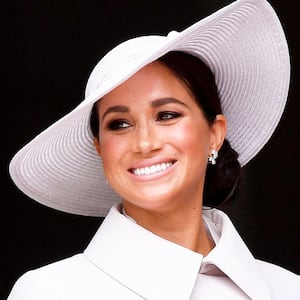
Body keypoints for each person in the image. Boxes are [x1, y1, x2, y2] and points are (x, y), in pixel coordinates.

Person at [7, 0, 300, 299]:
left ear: (214, 134)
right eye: (119, 124)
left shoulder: (287, 289)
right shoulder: (50, 292)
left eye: (167, 115)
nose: (145, 143)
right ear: (100, 149)